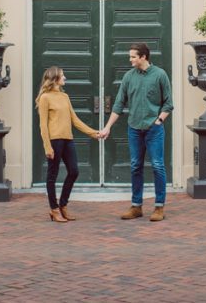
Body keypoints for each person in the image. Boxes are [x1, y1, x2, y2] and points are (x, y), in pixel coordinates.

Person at [98, 42, 173, 222]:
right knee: (135, 166)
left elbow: (168, 103)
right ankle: (136, 206)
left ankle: (159, 207)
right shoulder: (128, 77)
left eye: (133, 56)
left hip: (153, 129)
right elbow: (118, 104)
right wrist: (107, 127)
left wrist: (159, 120)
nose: (130, 59)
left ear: (143, 57)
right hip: (134, 129)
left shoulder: (160, 75)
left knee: (157, 166)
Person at [36, 66, 99, 223]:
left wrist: (94, 133)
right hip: (54, 141)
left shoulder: (64, 97)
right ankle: (54, 209)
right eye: (63, 76)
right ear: (55, 79)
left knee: (74, 171)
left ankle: (63, 205)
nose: (65, 78)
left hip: (68, 139)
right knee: (52, 175)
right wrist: (47, 147)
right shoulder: (45, 98)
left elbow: (75, 120)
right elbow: (43, 125)